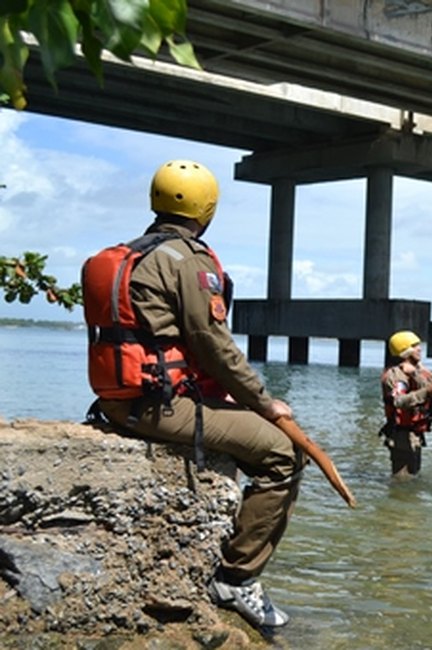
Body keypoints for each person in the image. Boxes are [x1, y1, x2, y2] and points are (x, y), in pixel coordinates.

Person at [83, 160, 301, 629]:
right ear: (208, 208)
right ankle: (237, 578)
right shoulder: (186, 260)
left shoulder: (130, 254)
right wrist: (263, 401)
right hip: (159, 408)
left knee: (257, 438)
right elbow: (214, 344)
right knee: (282, 455)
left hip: (119, 401)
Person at [380, 330, 432, 480]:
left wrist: (421, 370)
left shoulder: (417, 372)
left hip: (414, 433)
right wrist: (427, 391)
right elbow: (399, 401)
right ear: (405, 350)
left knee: (412, 478)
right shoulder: (396, 375)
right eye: (415, 346)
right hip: (402, 435)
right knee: (403, 480)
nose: (420, 349)